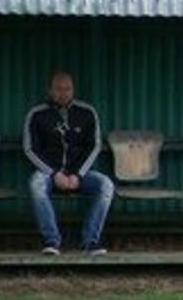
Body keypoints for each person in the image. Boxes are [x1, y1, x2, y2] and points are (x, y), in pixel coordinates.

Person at [23, 71, 115, 255]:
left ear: (73, 90)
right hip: (48, 174)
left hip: (80, 174)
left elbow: (94, 146)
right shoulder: (37, 114)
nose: (63, 93)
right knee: (35, 184)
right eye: (58, 89)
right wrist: (54, 173)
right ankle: (52, 242)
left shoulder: (87, 112)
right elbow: (30, 149)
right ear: (50, 90)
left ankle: (90, 242)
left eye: (67, 89)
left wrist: (77, 174)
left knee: (106, 185)